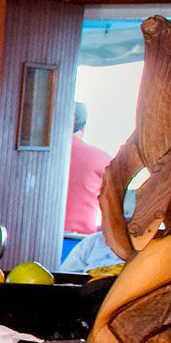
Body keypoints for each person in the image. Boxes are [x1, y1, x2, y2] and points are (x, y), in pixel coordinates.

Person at [63, 102, 111, 261]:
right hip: (80, 243)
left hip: (36, 239)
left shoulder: (36, 154)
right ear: (82, 127)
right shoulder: (101, 159)